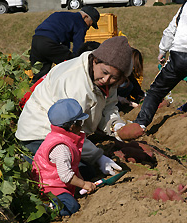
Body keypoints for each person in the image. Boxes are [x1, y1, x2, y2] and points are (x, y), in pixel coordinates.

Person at [15, 36, 144, 176]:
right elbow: (67, 130)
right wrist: (98, 157)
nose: (106, 80)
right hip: (40, 132)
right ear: (95, 60)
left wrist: (116, 125)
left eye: (114, 77)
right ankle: (27, 162)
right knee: (80, 173)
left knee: (85, 169)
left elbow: (109, 106)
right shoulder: (74, 84)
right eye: (105, 72)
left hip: (67, 133)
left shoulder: (106, 78)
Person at [126, 0, 187, 133]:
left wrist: (162, 51)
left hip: (178, 56)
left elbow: (170, 31)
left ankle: (141, 124)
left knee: (156, 92)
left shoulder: (185, 6)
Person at [32, 98, 96, 216]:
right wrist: (83, 184)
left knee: (88, 172)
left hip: (54, 179)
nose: (81, 126)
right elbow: (66, 176)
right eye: (80, 123)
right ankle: (47, 207)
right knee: (71, 206)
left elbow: (73, 167)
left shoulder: (60, 137)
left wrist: (82, 181)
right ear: (72, 127)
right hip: (48, 185)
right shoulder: (61, 148)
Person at [30, 6, 100, 83]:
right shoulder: (80, 22)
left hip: (36, 41)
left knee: (39, 75)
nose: (88, 28)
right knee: (72, 66)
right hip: (50, 43)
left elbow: (64, 42)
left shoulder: (64, 16)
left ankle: (31, 93)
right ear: (85, 17)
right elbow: (78, 48)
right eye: (90, 24)